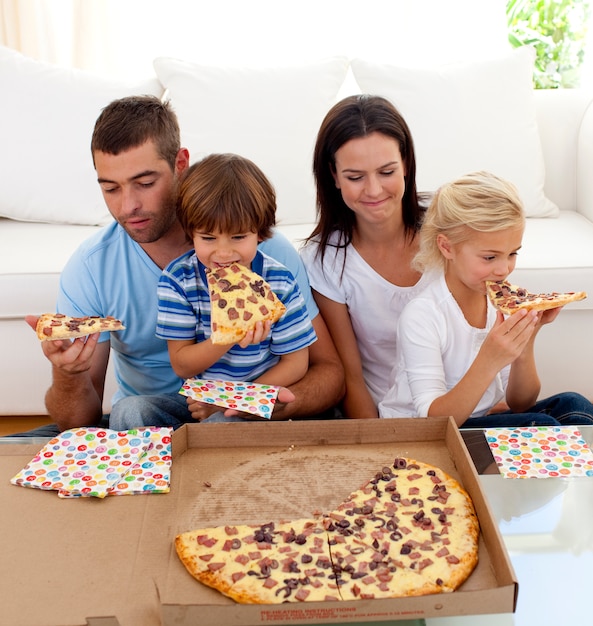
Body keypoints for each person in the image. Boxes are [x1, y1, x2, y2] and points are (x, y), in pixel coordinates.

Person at [15, 95, 343, 436]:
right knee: (23, 449)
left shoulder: (267, 252)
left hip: (249, 410)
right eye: (111, 188)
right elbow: (77, 423)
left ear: (180, 163)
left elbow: (328, 374)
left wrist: (250, 403)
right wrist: (68, 373)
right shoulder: (92, 268)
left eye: (145, 183)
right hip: (149, 421)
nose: (129, 206)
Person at [378, 171, 593, 427]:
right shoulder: (423, 315)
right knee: (541, 426)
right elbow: (434, 420)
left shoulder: (496, 304)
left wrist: (526, 341)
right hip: (421, 431)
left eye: (512, 253)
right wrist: (489, 359)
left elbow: (519, 402)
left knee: (575, 404)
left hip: (475, 420)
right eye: (490, 257)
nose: (503, 270)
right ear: (447, 247)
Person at [300, 94, 434, 419]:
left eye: (386, 172)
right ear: (333, 176)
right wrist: (382, 453)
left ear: (405, 165)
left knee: (570, 407)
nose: (373, 191)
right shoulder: (323, 259)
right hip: (386, 418)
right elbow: (351, 376)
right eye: (355, 177)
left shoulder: (447, 230)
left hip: (461, 409)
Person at [155, 153, 317, 421]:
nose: (223, 253)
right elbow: (182, 364)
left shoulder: (279, 282)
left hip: (256, 397)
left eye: (239, 237)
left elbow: (297, 363)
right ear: (190, 233)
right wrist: (230, 334)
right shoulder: (178, 280)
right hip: (199, 398)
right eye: (208, 238)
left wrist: (234, 400)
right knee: (131, 410)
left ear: (260, 233)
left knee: (222, 420)